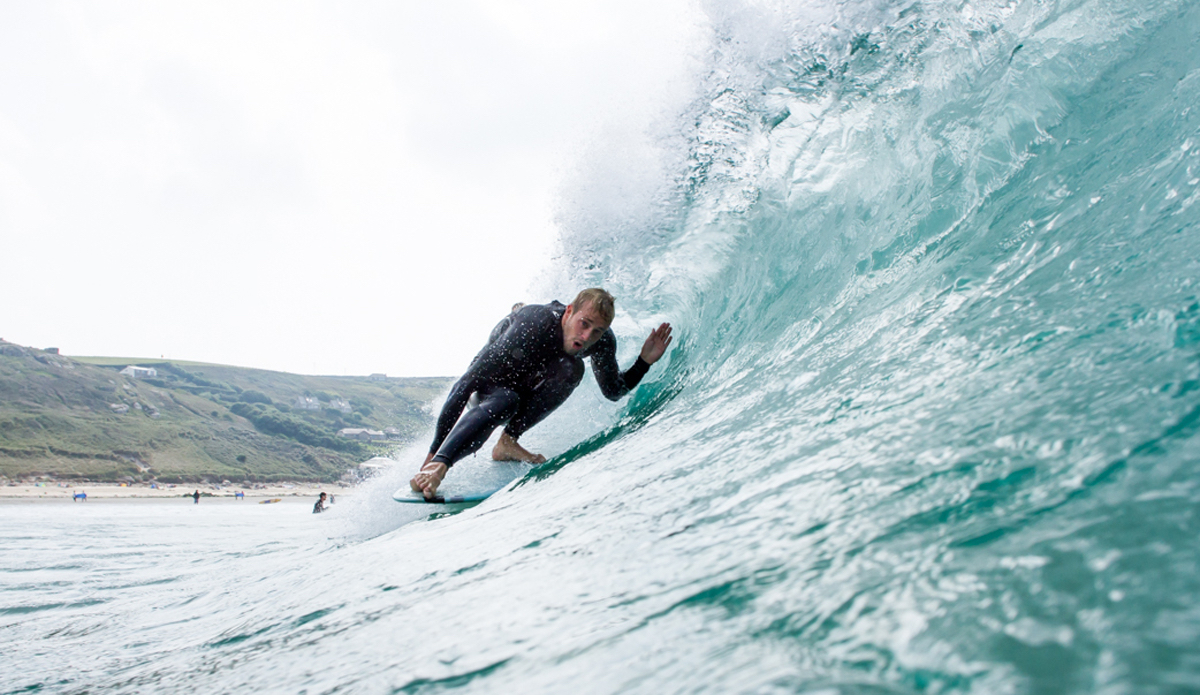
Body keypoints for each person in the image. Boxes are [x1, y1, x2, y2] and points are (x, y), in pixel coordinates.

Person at [410, 288, 673, 500]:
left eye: (597, 331)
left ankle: (507, 443)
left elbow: (613, 391)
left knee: (572, 367)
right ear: (569, 312)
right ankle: (442, 466)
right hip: (487, 389)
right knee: (506, 399)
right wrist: (435, 455)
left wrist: (644, 362)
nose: (587, 335)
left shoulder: (601, 341)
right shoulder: (534, 324)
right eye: (584, 324)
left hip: (527, 384)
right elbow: (464, 385)